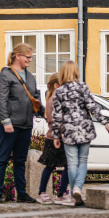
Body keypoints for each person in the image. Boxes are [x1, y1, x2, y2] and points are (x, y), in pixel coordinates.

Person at [51, 60, 109, 206]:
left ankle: (74, 193)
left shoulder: (59, 91)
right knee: (83, 160)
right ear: (76, 72)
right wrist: (104, 122)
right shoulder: (83, 87)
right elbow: (92, 106)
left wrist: (55, 135)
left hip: (68, 130)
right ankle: (78, 188)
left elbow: (56, 115)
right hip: (84, 128)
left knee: (72, 162)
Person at [0, 42, 41, 203]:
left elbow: (35, 98)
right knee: (2, 159)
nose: (30, 60)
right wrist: (6, 121)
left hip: (26, 125)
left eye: (31, 57)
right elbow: (1, 100)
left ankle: (22, 193)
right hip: (8, 125)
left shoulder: (31, 77)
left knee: (20, 161)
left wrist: (45, 115)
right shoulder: (5, 75)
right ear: (17, 56)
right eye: (28, 57)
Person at [36, 74, 71, 204]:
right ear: (56, 86)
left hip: (62, 137)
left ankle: (61, 193)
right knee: (50, 166)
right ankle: (42, 192)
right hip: (53, 138)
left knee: (68, 165)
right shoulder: (53, 100)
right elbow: (54, 120)